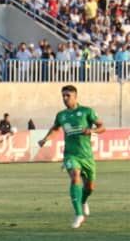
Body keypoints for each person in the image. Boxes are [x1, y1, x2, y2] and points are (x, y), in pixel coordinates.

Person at [37, 85, 106, 229]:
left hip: (86, 155)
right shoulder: (61, 115)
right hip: (70, 154)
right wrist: (45, 139)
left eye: (68, 95)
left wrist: (91, 130)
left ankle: (83, 200)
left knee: (90, 187)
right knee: (75, 176)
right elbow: (55, 128)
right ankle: (79, 214)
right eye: (63, 96)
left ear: (75, 96)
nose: (65, 98)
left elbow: (102, 127)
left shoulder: (87, 111)